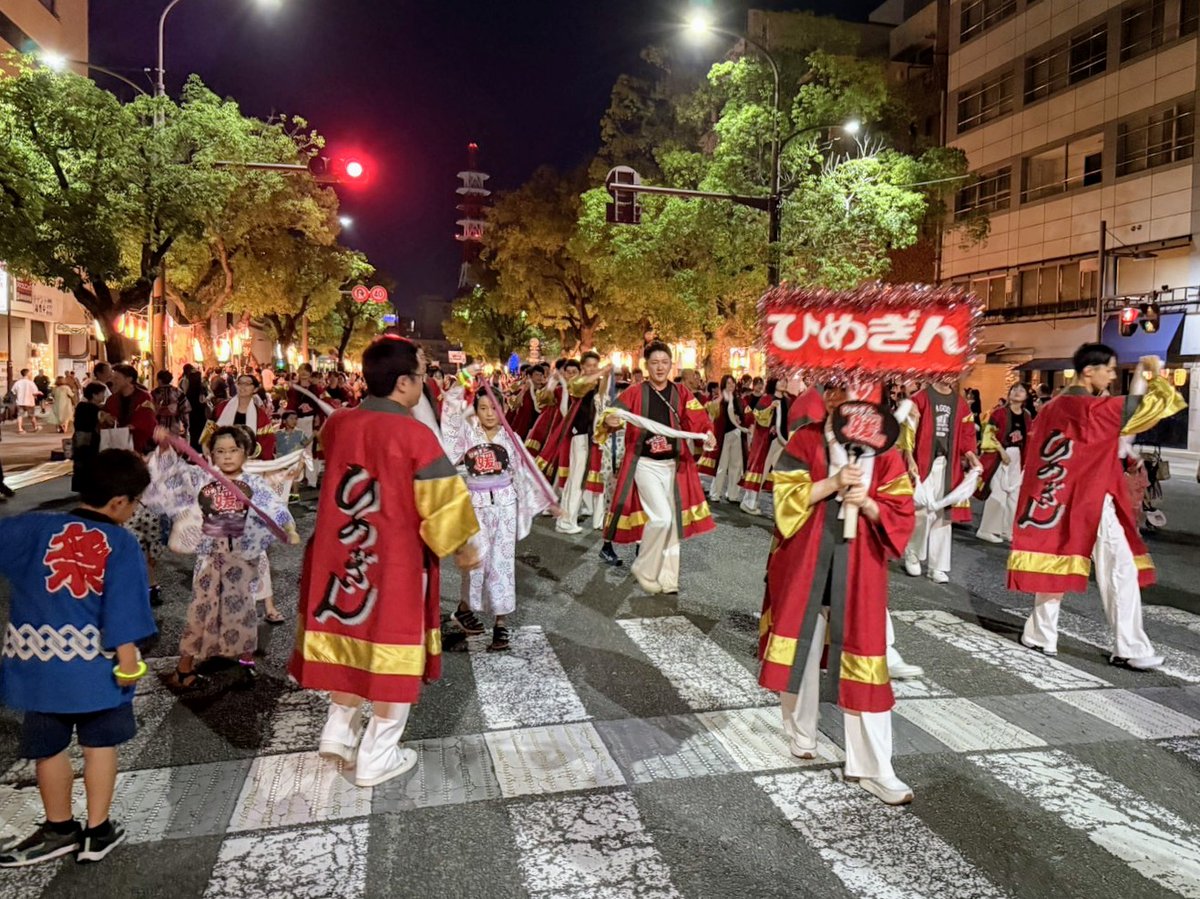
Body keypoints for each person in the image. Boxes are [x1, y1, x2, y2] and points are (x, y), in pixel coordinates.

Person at [290, 337, 480, 788]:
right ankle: (377, 754)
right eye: (421, 374)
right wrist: (464, 549)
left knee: (350, 634)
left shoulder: (338, 424)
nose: (425, 382)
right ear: (403, 383)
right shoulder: (415, 435)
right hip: (394, 560)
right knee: (396, 651)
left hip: (341, 553)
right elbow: (444, 509)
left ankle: (339, 729)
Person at [758, 384, 917, 805]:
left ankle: (875, 767)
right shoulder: (806, 438)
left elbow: (902, 511)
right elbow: (785, 500)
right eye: (836, 389)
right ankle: (800, 733)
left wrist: (868, 504)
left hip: (860, 567)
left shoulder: (886, 448)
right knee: (800, 655)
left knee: (866, 662)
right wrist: (831, 483)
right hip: (806, 563)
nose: (845, 398)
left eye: (856, 389)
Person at [0, 449, 157, 866]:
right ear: (120, 502)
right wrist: (129, 664)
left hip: (38, 666)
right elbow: (123, 612)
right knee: (99, 745)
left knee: (48, 748)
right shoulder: (119, 542)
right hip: (95, 669)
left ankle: (58, 827)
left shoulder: (34, 526)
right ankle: (97, 831)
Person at [1011, 347, 1186, 670]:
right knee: (1119, 569)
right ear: (1089, 371)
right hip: (1091, 499)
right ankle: (1129, 646)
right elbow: (1145, 409)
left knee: (1057, 565)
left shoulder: (1053, 408)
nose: (1111, 375)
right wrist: (1152, 373)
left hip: (1058, 497)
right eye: (1109, 369)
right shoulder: (1090, 409)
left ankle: (1040, 634)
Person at [145, 425, 298, 689]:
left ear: (246, 453)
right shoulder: (201, 478)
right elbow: (171, 475)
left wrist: (289, 528)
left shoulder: (255, 484)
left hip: (242, 557)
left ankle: (244, 658)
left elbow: (274, 507)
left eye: (234, 450)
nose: (227, 456)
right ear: (211, 454)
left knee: (243, 610)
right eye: (220, 451)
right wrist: (165, 448)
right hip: (210, 557)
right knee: (201, 611)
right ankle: (185, 666)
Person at [442, 374, 553, 649]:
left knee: (501, 566)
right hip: (474, 506)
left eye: (495, 408)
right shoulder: (467, 435)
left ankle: (501, 624)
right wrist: (461, 384)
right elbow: (451, 422)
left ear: (503, 409)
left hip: (504, 506)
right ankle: (466, 609)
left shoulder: (511, 438)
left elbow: (525, 473)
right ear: (475, 411)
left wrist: (547, 500)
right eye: (483, 408)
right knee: (475, 564)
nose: (489, 414)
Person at [597, 341, 717, 594]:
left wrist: (707, 434)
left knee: (672, 522)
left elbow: (699, 419)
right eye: (654, 363)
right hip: (645, 464)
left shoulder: (682, 393)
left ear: (671, 364)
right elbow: (611, 416)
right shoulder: (634, 392)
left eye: (664, 362)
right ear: (646, 365)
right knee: (661, 518)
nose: (660, 367)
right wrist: (612, 419)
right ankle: (644, 566)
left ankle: (669, 579)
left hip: (674, 465)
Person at [900, 379, 981, 584]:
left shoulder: (960, 403)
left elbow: (967, 434)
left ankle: (938, 566)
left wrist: (971, 456)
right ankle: (913, 552)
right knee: (921, 510)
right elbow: (908, 430)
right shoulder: (921, 398)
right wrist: (909, 458)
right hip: (924, 461)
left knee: (944, 515)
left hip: (948, 463)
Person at [549, 352, 608, 536]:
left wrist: (604, 376)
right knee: (576, 480)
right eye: (588, 365)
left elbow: (602, 397)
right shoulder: (580, 384)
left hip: (590, 438)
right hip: (580, 437)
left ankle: (566, 519)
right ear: (583, 367)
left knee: (579, 481)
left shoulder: (591, 386)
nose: (592, 368)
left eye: (594, 365)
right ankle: (566, 521)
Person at [976, 383, 1032, 544]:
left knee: (1014, 495)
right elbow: (989, 434)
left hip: (1018, 457)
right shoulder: (999, 413)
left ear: (1026, 396)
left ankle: (1008, 530)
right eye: (1014, 389)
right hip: (999, 456)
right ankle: (986, 529)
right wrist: (1001, 451)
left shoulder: (1027, 415)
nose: (1017, 392)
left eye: (1021, 390)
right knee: (998, 492)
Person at [208, 373, 276, 459]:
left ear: (255, 389)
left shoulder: (260, 416)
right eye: (240, 383)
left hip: (249, 462)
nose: (242, 387)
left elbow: (267, 443)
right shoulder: (221, 408)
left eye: (247, 384)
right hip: (222, 459)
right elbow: (208, 434)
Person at [705, 375, 747, 504]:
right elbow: (710, 410)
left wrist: (741, 419)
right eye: (728, 383)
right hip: (723, 435)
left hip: (736, 433)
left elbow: (745, 414)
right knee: (722, 465)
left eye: (732, 383)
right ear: (723, 385)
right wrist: (721, 397)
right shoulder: (719, 399)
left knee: (736, 465)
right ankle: (715, 493)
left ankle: (732, 494)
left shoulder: (738, 400)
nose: (731, 385)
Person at [738, 378, 776, 515]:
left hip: (768, 439)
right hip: (762, 438)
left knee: (762, 469)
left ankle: (751, 502)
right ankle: (749, 502)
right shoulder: (767, 399)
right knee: (757, 467)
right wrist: (771, 409)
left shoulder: (772, 398)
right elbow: (758, 416)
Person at [71, 383, 109, 494]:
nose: (103, 396)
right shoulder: (93, 408)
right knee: (90, 460)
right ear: (94, 395)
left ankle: (81, 485)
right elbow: (98, 422)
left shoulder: (81, 406)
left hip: (79, 437)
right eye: (102, 393)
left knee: (81, 461)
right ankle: (88, 486)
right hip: (91, 438)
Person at [275, 411, 311, 500]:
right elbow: (274, 446)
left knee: (296, 481)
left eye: (295, 419)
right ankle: (282, 499)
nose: (294, 421)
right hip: (282, 462)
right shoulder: (278, 433)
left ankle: (294, 500)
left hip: (296, 461)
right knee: (282, 482)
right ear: (284, 421)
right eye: (291, 418)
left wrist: (313, 436)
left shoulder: (300, 433)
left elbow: (304, 443)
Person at [151, 370, 190, 438]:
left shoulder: (154, 393)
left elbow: (149, 410)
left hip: (158, 426)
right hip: (174, 425)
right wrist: (186, 426)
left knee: (159, 446)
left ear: (160, 380)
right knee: (172, 446)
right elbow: (185, 409)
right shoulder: (177, 392)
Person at [13, 369, 41, 434]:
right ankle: (35, 427)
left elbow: (13, 391)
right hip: (29, 401)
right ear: (27, 374)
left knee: (20, 415)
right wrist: (38, 393)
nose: (31, 374)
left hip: (20, 401)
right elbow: (35, 392)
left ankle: (20, 429)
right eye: (30, 373)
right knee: (32, 415)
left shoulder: (18, 382)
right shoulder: (31, 383)